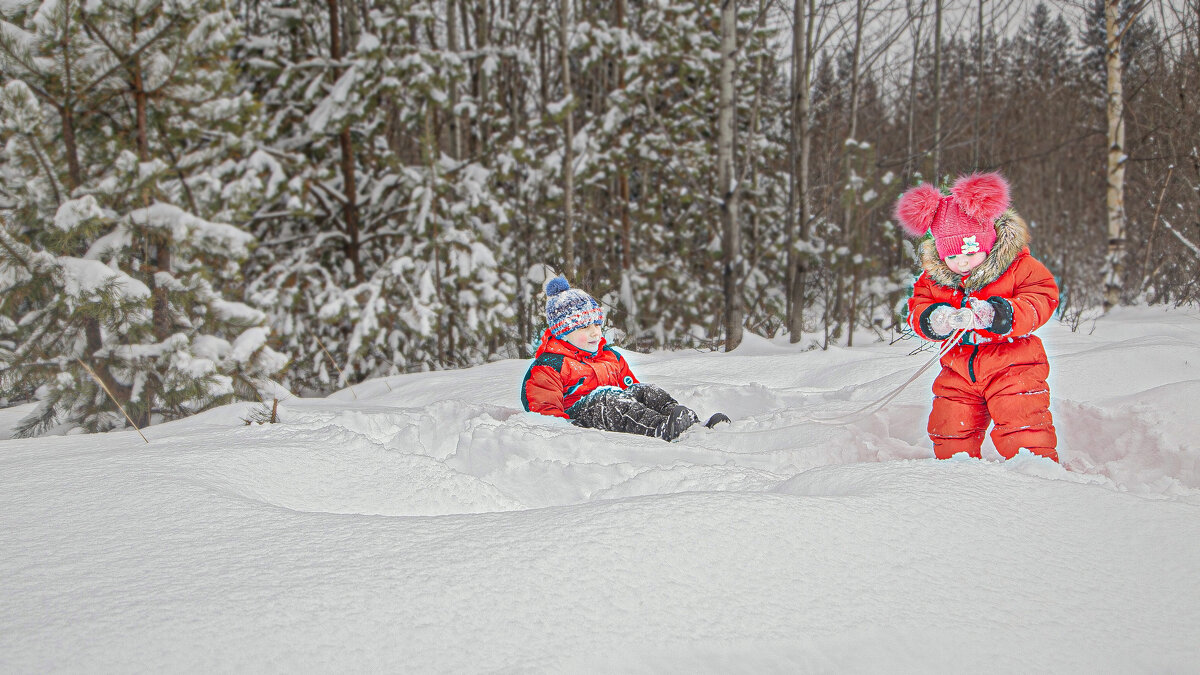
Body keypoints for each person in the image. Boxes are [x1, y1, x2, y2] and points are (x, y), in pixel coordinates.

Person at [895, 172, 1060, 462]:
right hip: (959, 368)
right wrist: (935, 319)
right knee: (949, 426)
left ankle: (1037, 475)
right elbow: (917, 306)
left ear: (987, 241)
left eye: (969, 252)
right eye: (951, 256)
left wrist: (996, 314)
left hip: (1013, 364)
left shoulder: (1019, 267)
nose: (961, 263)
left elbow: (1041, 298)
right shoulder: (935, 279)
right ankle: (957, 479)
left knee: (1023, 424)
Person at [521, 275, 730, 441]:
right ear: (562, 332)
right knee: (608, 399)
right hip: (582, 419)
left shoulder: (609, 357)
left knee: (645, 391)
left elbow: (632, 393)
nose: (595, 333)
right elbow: (544, 415)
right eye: (585, 327)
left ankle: (690, 423)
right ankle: (660, 429)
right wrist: (569, 432)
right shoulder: (550, 366)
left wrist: (639, 396)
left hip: (614, 406)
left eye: (597, 325)